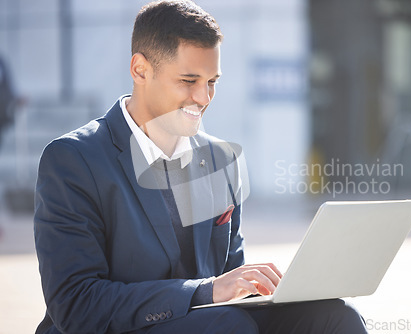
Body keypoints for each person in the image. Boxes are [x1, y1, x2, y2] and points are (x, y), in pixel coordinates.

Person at [34, 1, 368, 333]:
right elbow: (77, 305)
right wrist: (205, 291)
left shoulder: (221, 159)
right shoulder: (73, 159)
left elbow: (229, 276)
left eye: (212, 82)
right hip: (120, 328)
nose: (204, 97)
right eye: (188, 80)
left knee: (336, 317)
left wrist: (267, 286)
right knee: (227, 324)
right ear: (140, 70)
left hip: (214, 321)